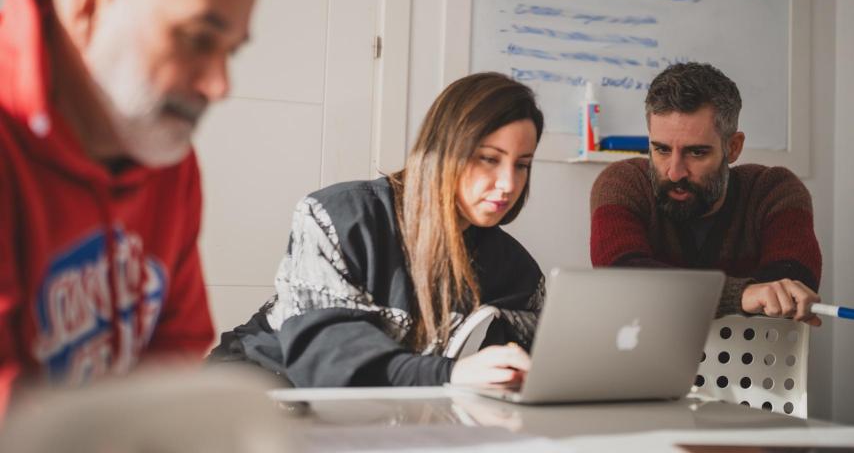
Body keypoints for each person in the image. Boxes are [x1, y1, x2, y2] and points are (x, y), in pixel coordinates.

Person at [0, 0, 256, 419]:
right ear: (91, 7)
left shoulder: (160, 148)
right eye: (197, 39)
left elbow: (176, 346)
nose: (219, 85)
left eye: (230, 50)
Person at [210, 72, 545, 388]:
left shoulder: (517, 272)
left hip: (386, 409)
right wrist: (452, 374)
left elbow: (544, 361)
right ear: (444, 150)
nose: (508, 184)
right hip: (253, 388)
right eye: (489, 159)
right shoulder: (340, 217)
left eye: (522, 165)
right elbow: (331, 364)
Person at [589, 62, 822, 325]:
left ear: (733, 147)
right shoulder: (622, 184)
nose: (674, 173)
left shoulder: (774, 192)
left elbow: (791, 290)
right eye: (662, 150)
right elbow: (621, 280)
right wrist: (741, 295)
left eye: (696, 152)